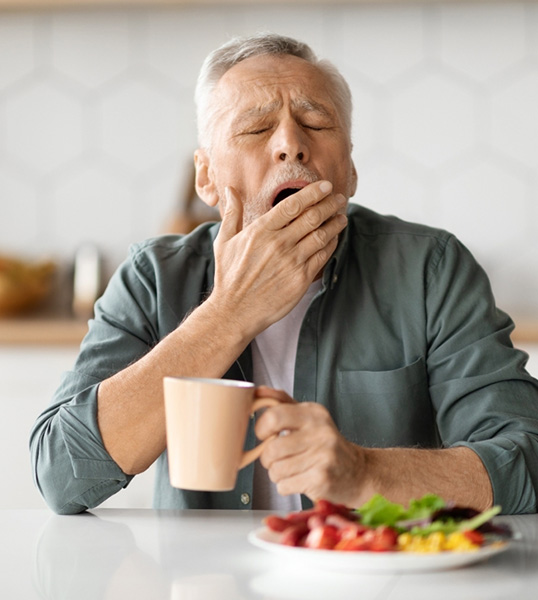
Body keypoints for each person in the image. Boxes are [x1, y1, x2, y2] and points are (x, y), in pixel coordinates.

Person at [31, 33, 538, 516]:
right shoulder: (152, 276)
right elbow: (62, 475)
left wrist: (365, 472)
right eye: (256, 129)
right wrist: (230, 313)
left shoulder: (433, 270)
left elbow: (527, 460)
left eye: (317, 124)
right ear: (205, 176)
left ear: (350, 170)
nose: (291, 145)